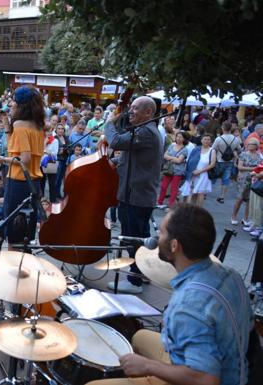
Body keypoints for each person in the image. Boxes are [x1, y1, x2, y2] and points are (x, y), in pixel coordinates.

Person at [88, 204, 253, 385]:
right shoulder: (231, 275)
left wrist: (149, 366)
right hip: (237, 368)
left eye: (162, 233)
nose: (157, 238)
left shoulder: (188, 306)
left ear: (174, 245)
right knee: (139, 337)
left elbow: (206, 380)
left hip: (207, 377)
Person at [105, 96, 163, 293]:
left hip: (136, 195)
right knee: (141, 236)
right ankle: (142, 273)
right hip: (136, 193)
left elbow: (115, 141)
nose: (130, 111)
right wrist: (115, 163)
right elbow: (132, 158)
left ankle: (134, 281)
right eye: (131, 107)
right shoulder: (142, 130)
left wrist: (109, 123)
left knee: (133, 238)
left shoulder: (146, 132)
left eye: (135, 108)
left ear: (148, 112)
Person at [0, 86, 46, 246]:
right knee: (25, 233)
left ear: (21, 105)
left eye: (14, 101)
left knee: (14, 231)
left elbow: (24, 159)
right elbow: (14, 148)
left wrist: (2, 159)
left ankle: (14, 267)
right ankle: (23, 266)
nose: (11, 104)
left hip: (18, 182)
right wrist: (6, 124)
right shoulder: (38, 125)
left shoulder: (21, 126)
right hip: (34, 183)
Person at [232, 137, 262, 226]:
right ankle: (233, 217)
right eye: (248, 144)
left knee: (249, 199)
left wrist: (255, 171)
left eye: (251, 144)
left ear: (256, 146)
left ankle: (245, 218)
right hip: (243, 179)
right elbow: (240, 167)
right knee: (239, 198)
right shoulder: (243, 154)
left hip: (254, 179)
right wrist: (254, 168)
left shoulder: (259, 156)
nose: (249, 145)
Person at [181, 134, 216, 206]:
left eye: (208, 139)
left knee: (200, 193)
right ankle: (191, 209)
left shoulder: (212, 150)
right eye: (205, 139)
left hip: (204, 174)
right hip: (193, 173)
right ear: (201, 140)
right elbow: (190, 160)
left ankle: (198, 210)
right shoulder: (196, 149)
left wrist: (200, 171)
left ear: (211, 141)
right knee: (191, 192)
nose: (206, 141)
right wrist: (190, 172)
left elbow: (212, 164)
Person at [157, 131, 188, 208]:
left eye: (180, 137)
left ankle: (171, 206)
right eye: (177, 136)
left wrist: (170, 158)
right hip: (168, 170)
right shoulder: (171, 145)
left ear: (184, 139)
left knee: (174, 189)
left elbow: (179, 161)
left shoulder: (185, 149)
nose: (178, 138)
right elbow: (164, 155)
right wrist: (174, 158)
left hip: (178, 171)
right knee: (163, 186)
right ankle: (159, 203)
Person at [212, 121, 241, 203]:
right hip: (230, 161)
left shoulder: (219, 139)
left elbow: (213, 149)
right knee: (226, 179)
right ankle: (222, 196)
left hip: (219, 160)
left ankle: (204, 193)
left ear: (222, 128)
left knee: (213, 176)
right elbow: (239, 149)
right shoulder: (236, 139)